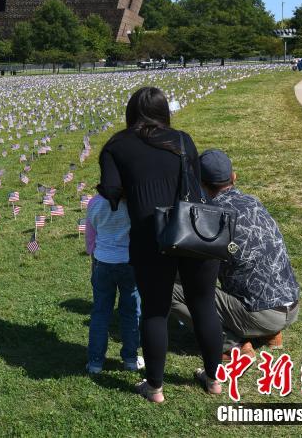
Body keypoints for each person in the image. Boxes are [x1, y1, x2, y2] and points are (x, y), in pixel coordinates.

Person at [98, 87, 221, 403]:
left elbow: (110, 193)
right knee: (204, 303)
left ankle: (154, 387)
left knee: (155, 309)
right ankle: (213, 379)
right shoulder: (182, 140)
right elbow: (192, 183)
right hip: (194, 230)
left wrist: (132, 190)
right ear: (164, 111)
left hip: (150, 235)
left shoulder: (116, 146)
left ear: (131, 113)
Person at [171, 150, 299, 358]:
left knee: (167, 287)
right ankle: (271, 334)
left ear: (199, 183)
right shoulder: (253, 201)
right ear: (234, 177)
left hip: (261, 314)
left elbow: (195, 271)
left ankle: (229, 343)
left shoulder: (210, 216)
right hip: (291, 306)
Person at [85, 190, 143, 374]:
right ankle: (130, 359)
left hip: (103, 261)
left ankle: (95, 362)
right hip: (129, 262)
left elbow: (90, 234)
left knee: (100, 313)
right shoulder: (135, 202)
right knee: (131, 312)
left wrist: (92, 254)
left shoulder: (94, 202)